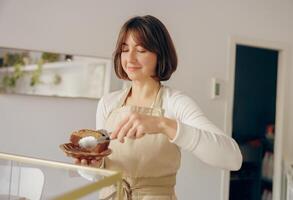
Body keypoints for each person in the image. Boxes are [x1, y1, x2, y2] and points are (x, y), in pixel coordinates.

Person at [75, 15, 242, 200]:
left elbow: (232, 159)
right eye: (125, 49)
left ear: (160, 55)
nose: (130, 58)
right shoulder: (108, 104)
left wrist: (163, 125)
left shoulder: (175, 103)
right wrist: (93, 165)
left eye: (141, 50)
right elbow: (101, 174)